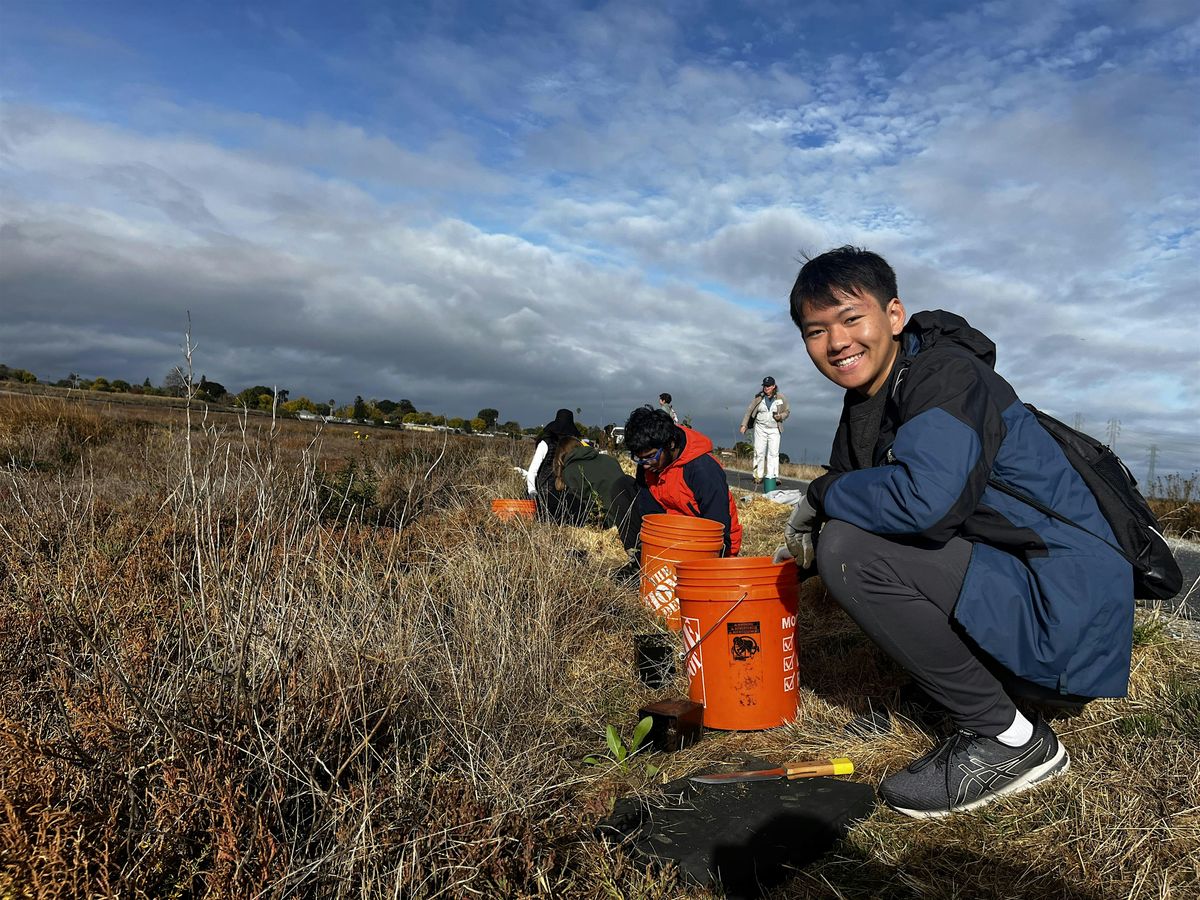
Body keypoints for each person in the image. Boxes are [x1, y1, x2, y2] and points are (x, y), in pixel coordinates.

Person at [777, 245, 1131, 819]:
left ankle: (1010, 739)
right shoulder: (869, 399)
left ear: (893, 316)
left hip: (1069, 609)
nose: (836, 342)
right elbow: (858, 486)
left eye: (850, 318)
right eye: (816, 331)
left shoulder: (945, 374)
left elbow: (924, 503)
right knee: (840, 539)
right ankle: (967, 679)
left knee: (849, 549)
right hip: (1030, 585)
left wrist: (818, 499)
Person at [623, 406, 742, 556]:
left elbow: (719, 527)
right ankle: (641, 558)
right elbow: (650, 513)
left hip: (706, 544)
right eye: (639, 458)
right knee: (623, 486)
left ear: (671, 444)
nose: (645, 464)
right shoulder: (648, 464)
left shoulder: (702, 469)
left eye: (651, 456)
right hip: (671, 536)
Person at [552, 435, 643, 555]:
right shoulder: (608, 459)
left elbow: (579, 507)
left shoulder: (569, 472)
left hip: (608, 523)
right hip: (633, 520)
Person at [526, 409, 586, 522]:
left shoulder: (571, 446)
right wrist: (532, 491)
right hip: (543, 491)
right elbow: (533, 470)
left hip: (563, 491)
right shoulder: (545, 444)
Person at [738, 376, 790, 493]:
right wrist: (744, 425)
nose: (766, 388)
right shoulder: (758, 398)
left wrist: (780, 416)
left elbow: (787, 411)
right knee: (759, 451)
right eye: (764, 386)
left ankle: (773, 476)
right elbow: (749, 411)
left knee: (773, 453)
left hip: (774, 429)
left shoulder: (781, 398)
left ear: (773, 386)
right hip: (760, 428)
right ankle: (758, 476)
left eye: (768, 386)